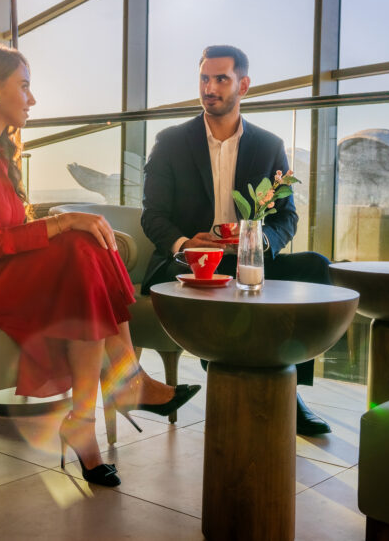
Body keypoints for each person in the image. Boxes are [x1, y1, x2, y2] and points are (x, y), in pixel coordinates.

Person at [0, 44, 200, 487]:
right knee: (78, 245)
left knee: (86, 246)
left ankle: (94, 410)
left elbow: (10, 235)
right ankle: (124, 382)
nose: (32, 98)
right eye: (24, 86)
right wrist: (62, 222)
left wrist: (67, 226)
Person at [141, 44, 332, 436]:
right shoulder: (171, 141)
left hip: (248, 258)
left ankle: (288, 387)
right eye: (204, 78)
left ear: (243, 85)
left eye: (221, 79)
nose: (210, 87)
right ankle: (239, 387)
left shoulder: (268, 146)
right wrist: (182, 243)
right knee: (224, 278)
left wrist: (258, 243)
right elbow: (153, 216)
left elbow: (287, 216)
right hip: (190, 262)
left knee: (315, 265)